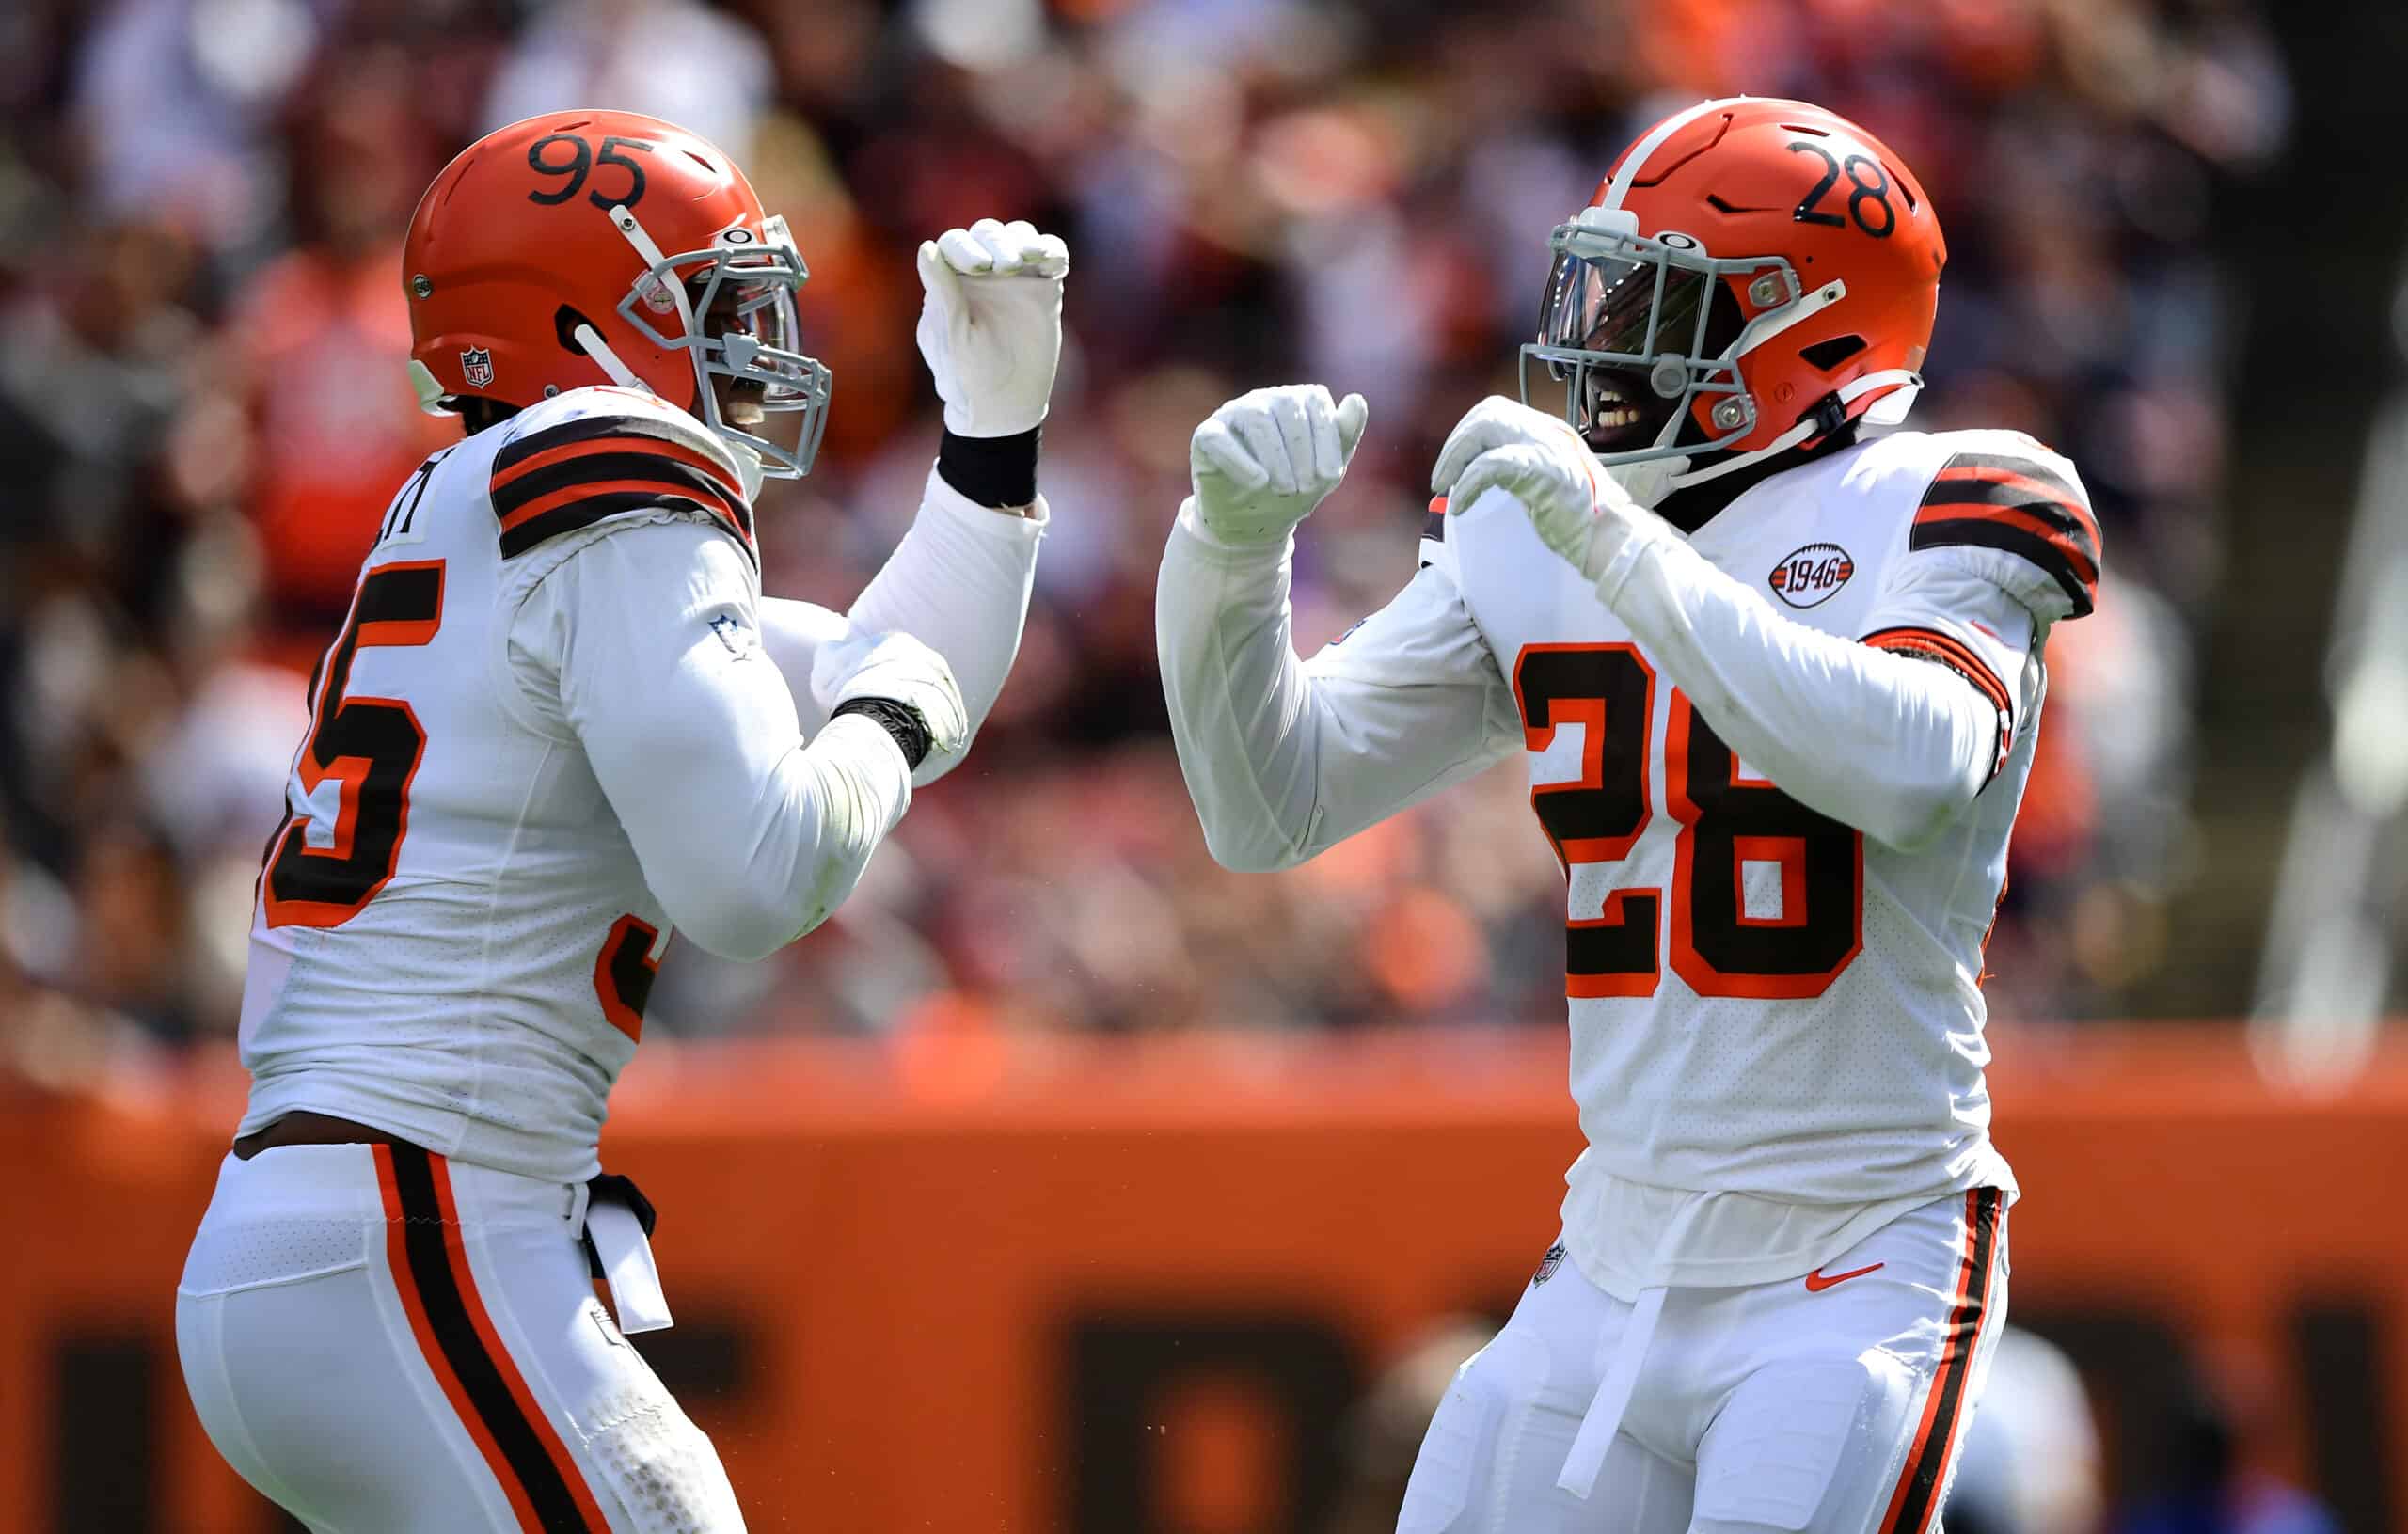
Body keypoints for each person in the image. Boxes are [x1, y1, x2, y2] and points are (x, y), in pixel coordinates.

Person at [1156, 96, 2099, 1533]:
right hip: (1611, 1249)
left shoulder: (1955, 494)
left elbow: (1909, 763)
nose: (1604, 339)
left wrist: (1617, 538)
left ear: (1812, 332)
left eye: (1659, 302)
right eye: (1599, 287)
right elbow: (1268, 803)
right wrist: (1225, 552)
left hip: (1855, 1251)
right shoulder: (1538, 526)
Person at [175, 109, 1069, 1531]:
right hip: (424, 1222)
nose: (755, 342)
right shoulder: (607, 464)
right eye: (709, 302)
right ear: (581, 320)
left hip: (356, 1223)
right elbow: (760, 875)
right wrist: (888, 725)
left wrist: (994, 439)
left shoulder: (486, 511)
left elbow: (878, 664)